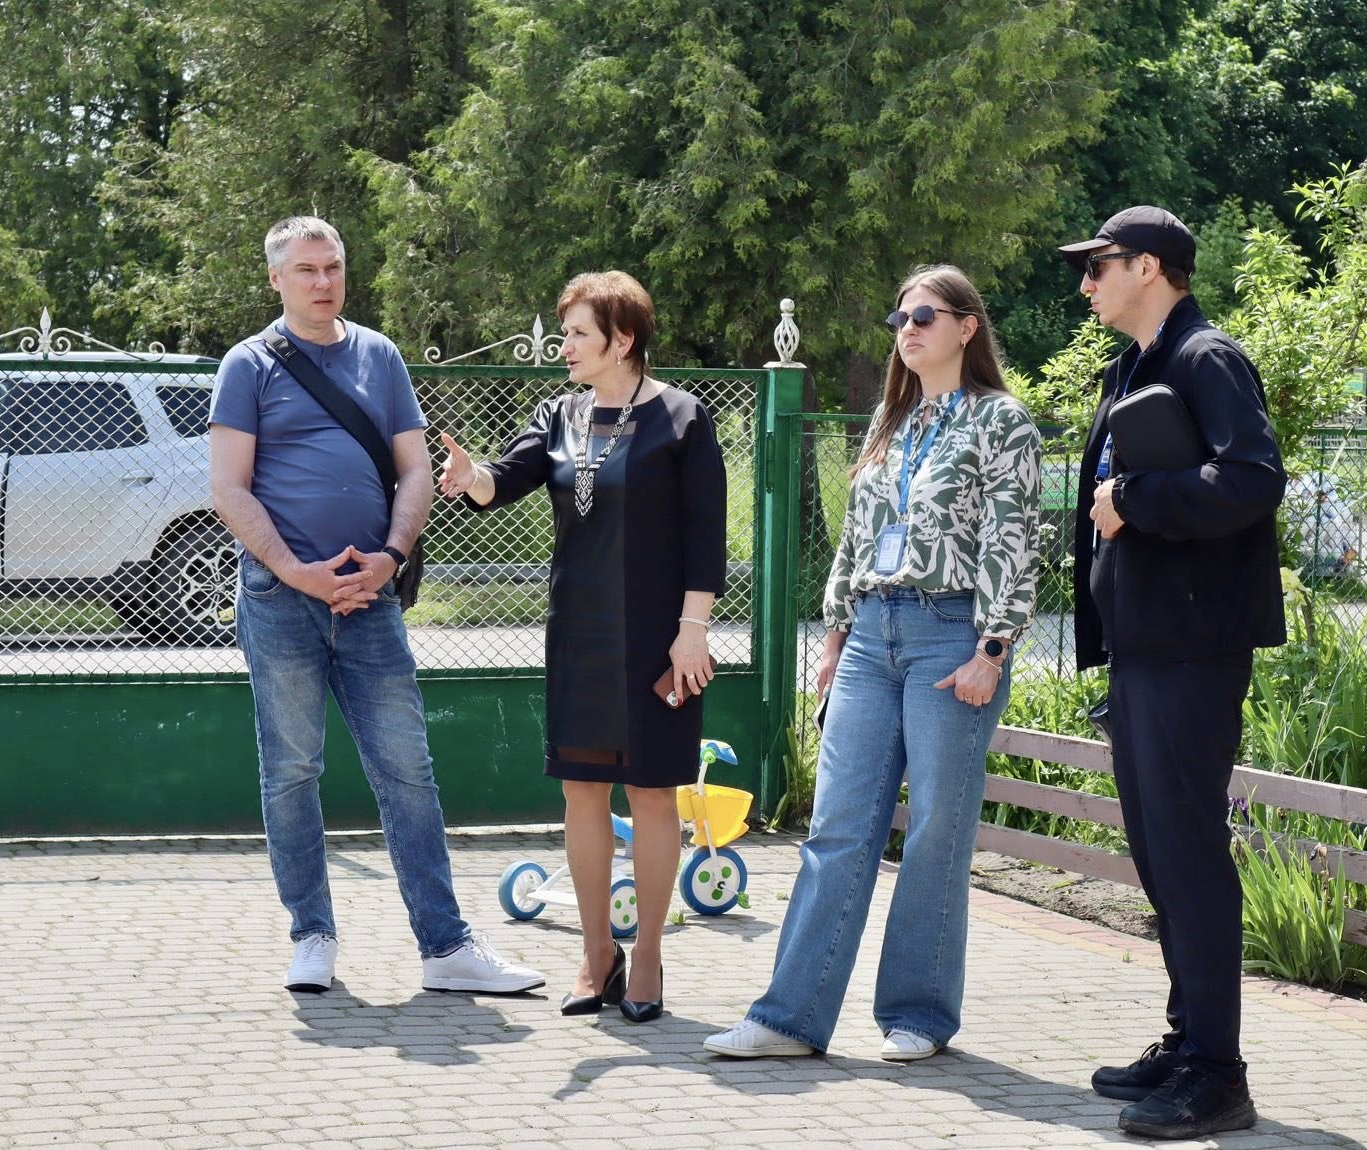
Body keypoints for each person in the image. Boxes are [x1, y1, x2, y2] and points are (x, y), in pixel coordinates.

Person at [702, 264, 1041, 1061]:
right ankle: (789, 1019)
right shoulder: (892, 422)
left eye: (925, 316)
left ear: (967, 327)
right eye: (899, 318)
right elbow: (857, 539)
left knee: (935, 834)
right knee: (836, 830)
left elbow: (1014, 539)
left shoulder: (1001, 421)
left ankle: (918, 1014)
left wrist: (993, 649)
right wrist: (834, 640)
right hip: (869, 637)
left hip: (952, 636)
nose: (907, 329)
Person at [208, 215, 544, 996]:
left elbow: (416, 471)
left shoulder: (379, 355)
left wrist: (390, 558)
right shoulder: (247, 365)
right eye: (306, 270)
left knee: (407, 771)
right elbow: (228, 488)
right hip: (280, 599)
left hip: (372, 599)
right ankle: (312, 937)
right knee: (292, 770)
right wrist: (298, 572)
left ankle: (447, 950)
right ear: (276, 279)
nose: (323, 281)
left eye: (333, 267)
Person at [437, 271, 727, 1022]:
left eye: (577, 334)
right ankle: (599, 955)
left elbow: (706, 539)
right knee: (582, 792)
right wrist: (471, 477)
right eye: (564, 332)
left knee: (654, 793)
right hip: (581, 634)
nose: (563, 346)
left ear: (621, 340)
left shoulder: (682, 418)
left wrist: (692, 631)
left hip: (660, 639)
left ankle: (649, 955)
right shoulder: (558, 414)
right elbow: (505, 481)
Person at [1059, 206, 1285, 1140]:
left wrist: (1138, 500)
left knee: (1188, 853)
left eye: (1099, 266)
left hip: (1193, 652)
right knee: (1159, 854)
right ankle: (1189, 1040)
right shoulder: (1135, 366)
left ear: (1148, 266)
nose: (1086, 284)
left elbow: (1254, 478)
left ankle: (1218, 1074)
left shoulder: (1206, 358)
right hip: (1146, 645)